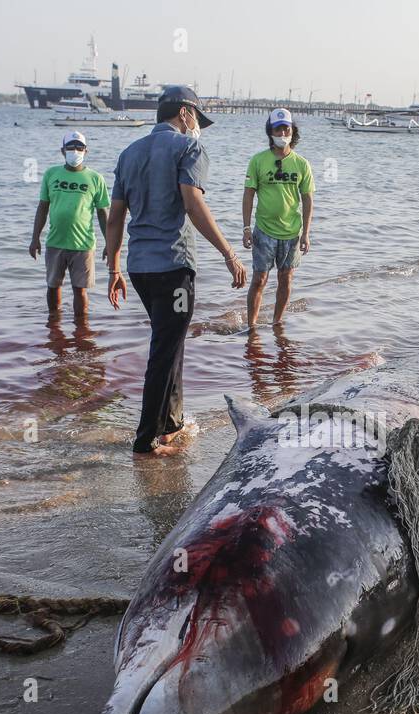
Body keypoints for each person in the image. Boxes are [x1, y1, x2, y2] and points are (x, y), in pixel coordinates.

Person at [105, 86, 246, 458]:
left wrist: (114, 267)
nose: (198, 125)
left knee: (171, 342)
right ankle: (147, 440)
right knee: (165, 350)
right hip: (174, 266)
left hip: (139, 268)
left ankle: (171, 423)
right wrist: (228, 252)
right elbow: (192, 201)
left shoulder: (128, 153)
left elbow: (115, 215)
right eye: (198, 117)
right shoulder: (188, 148)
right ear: (185, 113)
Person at [242, 108, 315, 328]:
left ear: (293, 130)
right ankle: (252, 326)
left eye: (286, 128)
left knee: (286, 279)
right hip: (263, 231)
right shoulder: (258, 161)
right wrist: (246, 228)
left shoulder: (302, 164)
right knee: (259, 280)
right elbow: (248, 195)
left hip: (292, 233)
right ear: (270, 131)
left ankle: (277, 323)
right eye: (278, 128)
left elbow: (308, 200)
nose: (283, 132)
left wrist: (306, 234)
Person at [30, 131, 110, 319]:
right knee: (53, 286)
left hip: (83, 244)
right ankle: (54, 326)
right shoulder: (51, 174)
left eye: (79, 148)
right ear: (62, 151)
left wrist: (110, 243)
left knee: (80, 290)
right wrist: (35, 239)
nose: (75, 151)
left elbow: (102, 213)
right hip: (55, 242)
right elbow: (42, 207)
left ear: (86, 151)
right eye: (71, 148)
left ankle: (81, 331)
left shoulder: (95, 178)